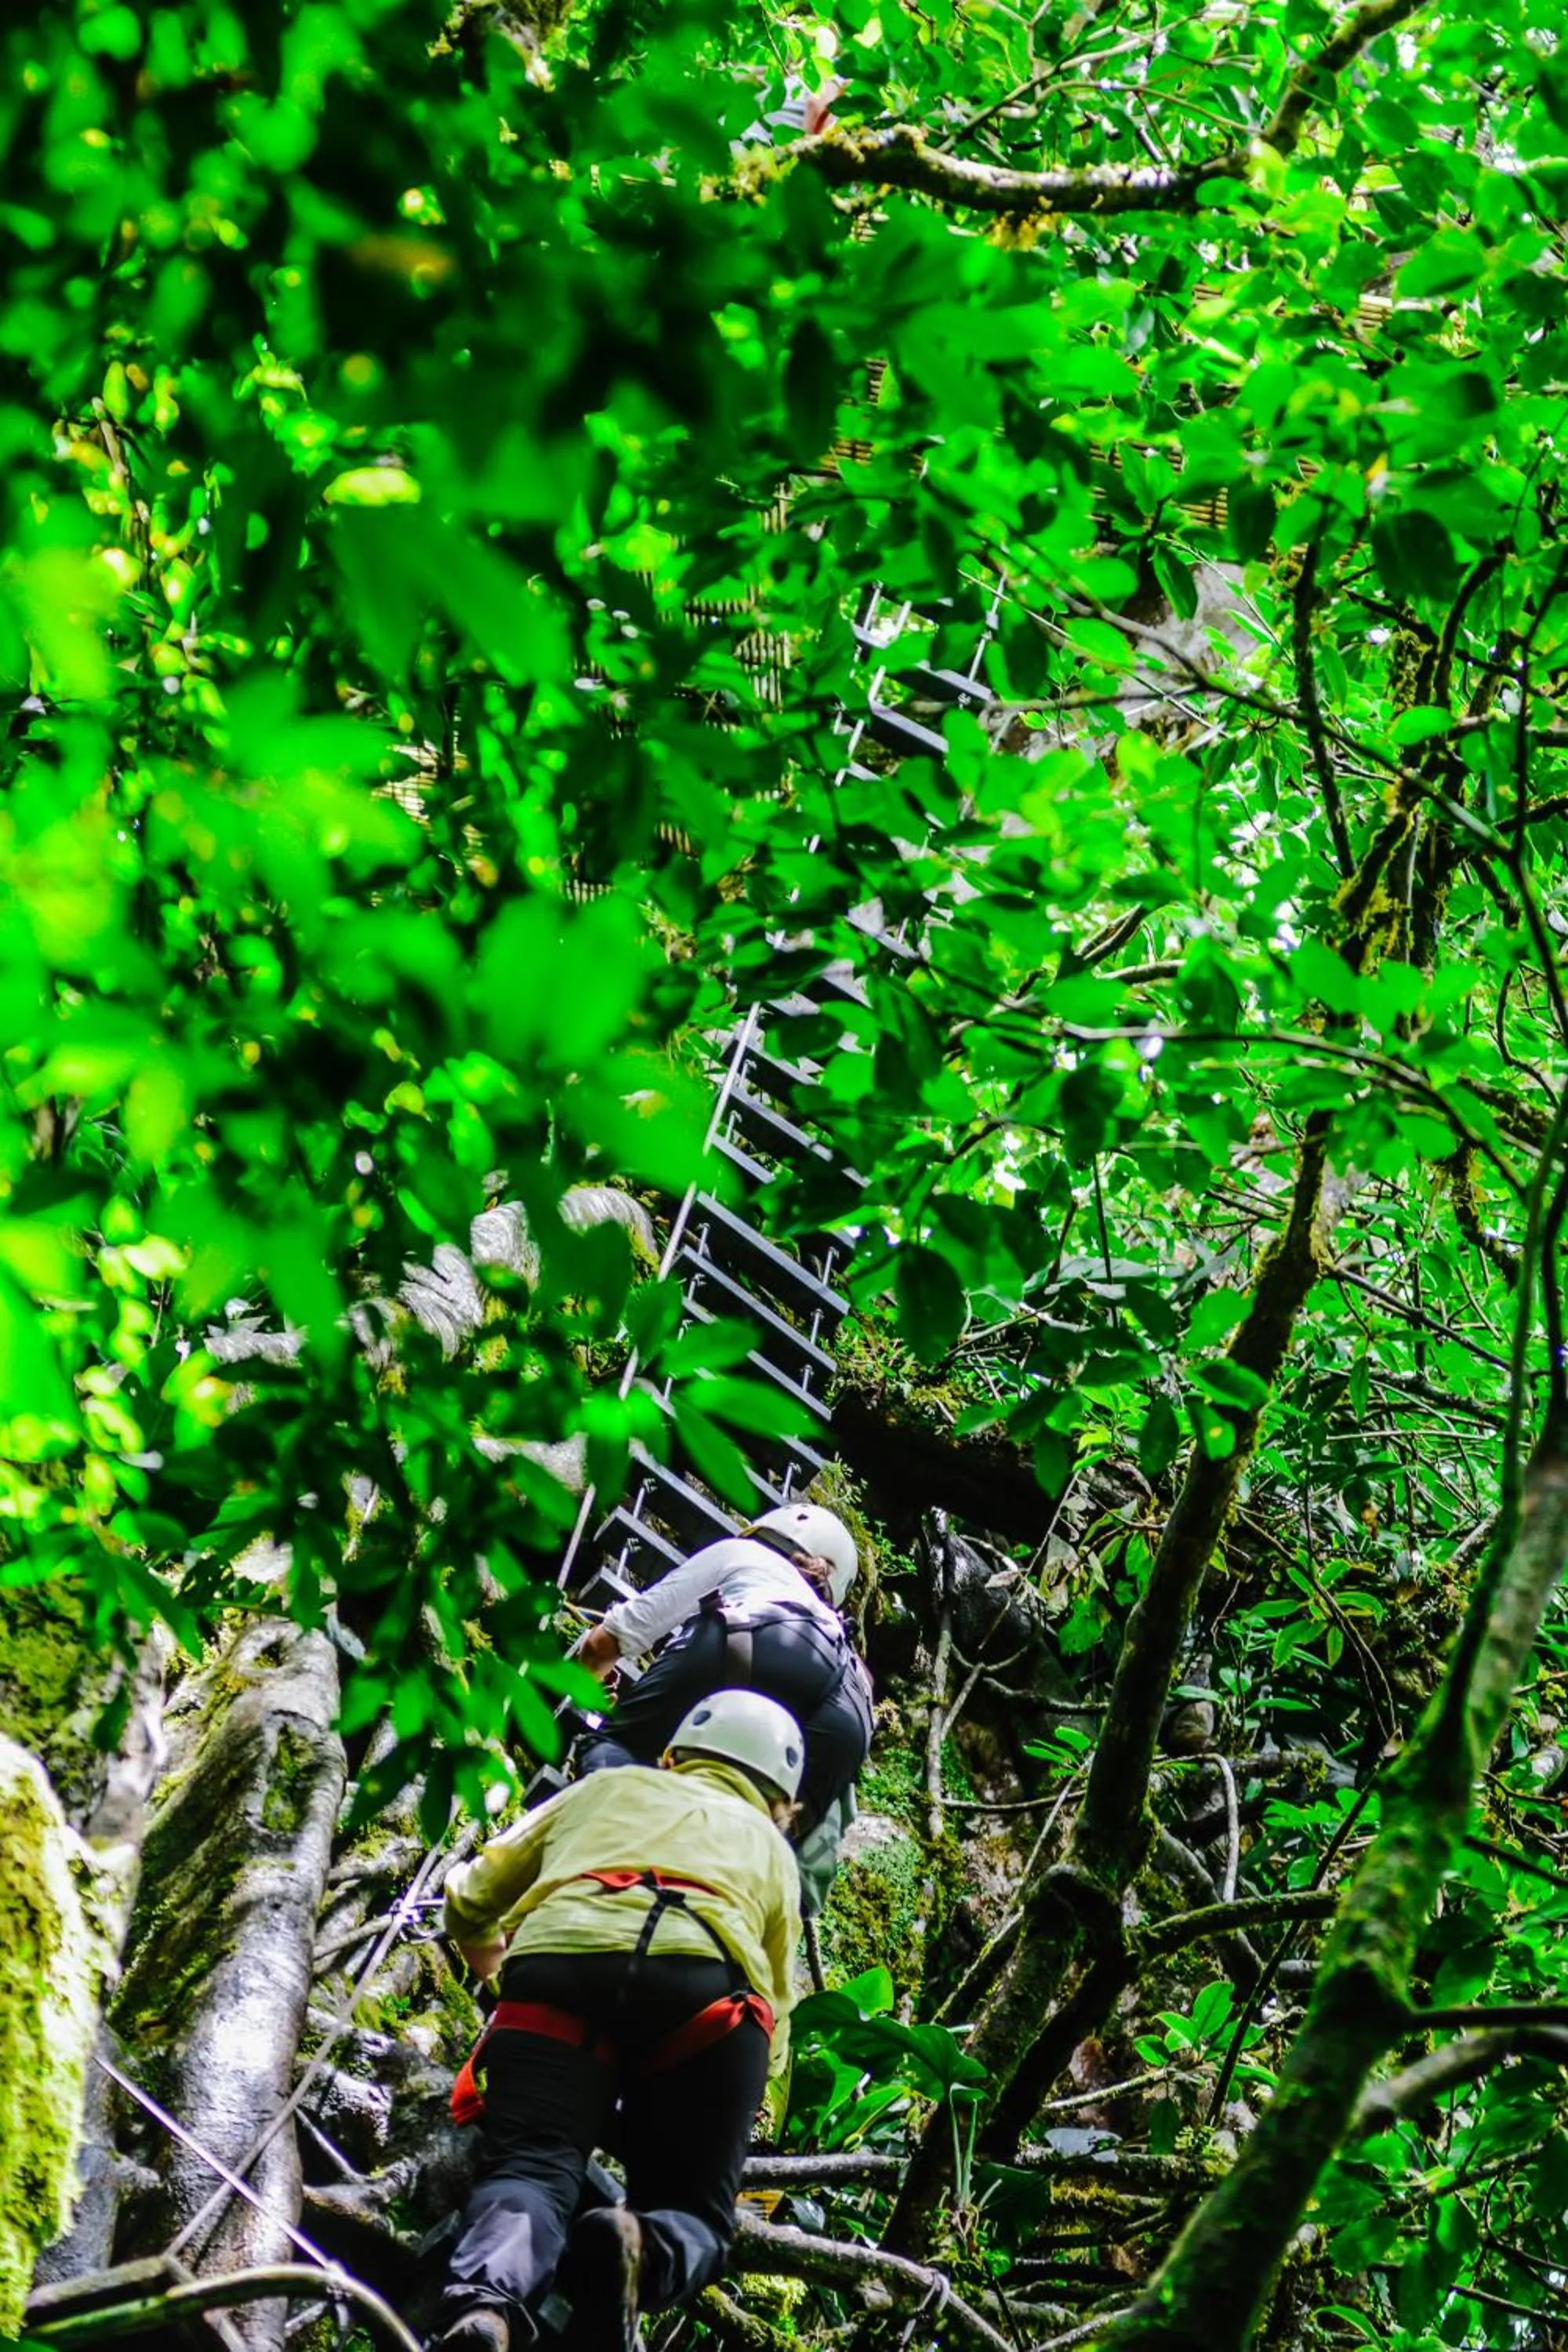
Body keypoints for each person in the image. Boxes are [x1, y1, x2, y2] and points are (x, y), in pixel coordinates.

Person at [434, 1690, 805, 2352]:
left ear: (672, 1756)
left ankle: (488, 2307)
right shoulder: (776, 1855)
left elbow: (470, 1894)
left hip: (561, 1967)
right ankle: (641, 2243)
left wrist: (493, 1966)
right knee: (694, 2214)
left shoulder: (608, 1788)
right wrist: (733, 2107)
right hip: (706, 2002)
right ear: (783, 1807)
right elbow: (777, 2014)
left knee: (532, 2166)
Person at [572, 1502, 873, 1915]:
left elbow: (604, 1644)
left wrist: (583, 1694)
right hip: (854, 1706)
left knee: (614, 1750)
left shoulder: (745, 1555)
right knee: (751, 1867)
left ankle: (587, 1878)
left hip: (758, 1634)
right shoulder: (839, 1631)